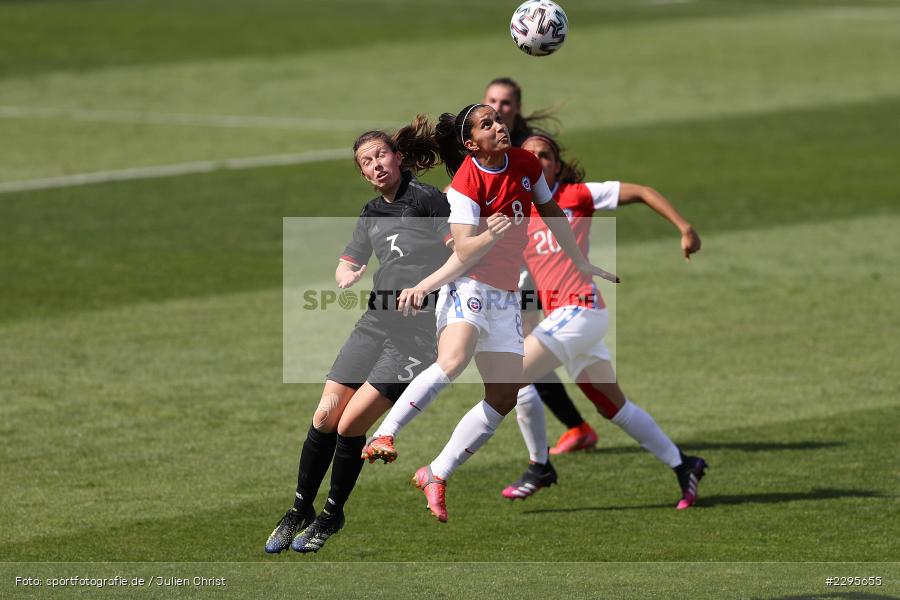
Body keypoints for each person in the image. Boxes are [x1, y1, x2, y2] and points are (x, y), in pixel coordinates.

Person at [361, 104, 617, 522]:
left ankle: (436, 473)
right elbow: (463, 251)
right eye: (487, 124)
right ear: (470, 143)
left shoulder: (525, 162)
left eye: (498, 121)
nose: (499, 127)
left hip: (504, 296)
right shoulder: (466, 183)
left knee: (502, 397)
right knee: (453, 360)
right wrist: (488, 234)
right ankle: (386, 434)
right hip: (468, 285)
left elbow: (550, 210)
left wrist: (579, 260)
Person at [265, 116, 455, 554]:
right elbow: (350, 259)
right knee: (324, 416)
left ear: (398, 157)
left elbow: (460, 255)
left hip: (416, 339)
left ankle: (332, 515)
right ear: (364, 173)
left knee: (351, 426)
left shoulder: (428, 201)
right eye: (366, 162)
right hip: (374, 324)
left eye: (381, 155)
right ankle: (299, 509)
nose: (375, 165)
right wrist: (347, 271)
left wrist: (428, 286)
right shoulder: (371, 212)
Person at [500, 133, 706, 509]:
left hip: (580, 311)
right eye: (530, 156)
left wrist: (684, 226)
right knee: (613, 407)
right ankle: (684, 464)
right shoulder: (518, 210)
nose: (538, 161)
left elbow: (643, 191)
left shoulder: (577, 195)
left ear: (557, 166)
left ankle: (539, 466)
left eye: (546, 156)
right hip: (569, 320)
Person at [481, 77, 600, 453]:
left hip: (534, 259)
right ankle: (576, 427)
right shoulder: (482, 136)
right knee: (526, 344)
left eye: (506, 103)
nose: (499, 109)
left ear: (517, 108)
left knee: (525, 346)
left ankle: (565, 435)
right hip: (509, 252)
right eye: (492, 101)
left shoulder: (528, 147)